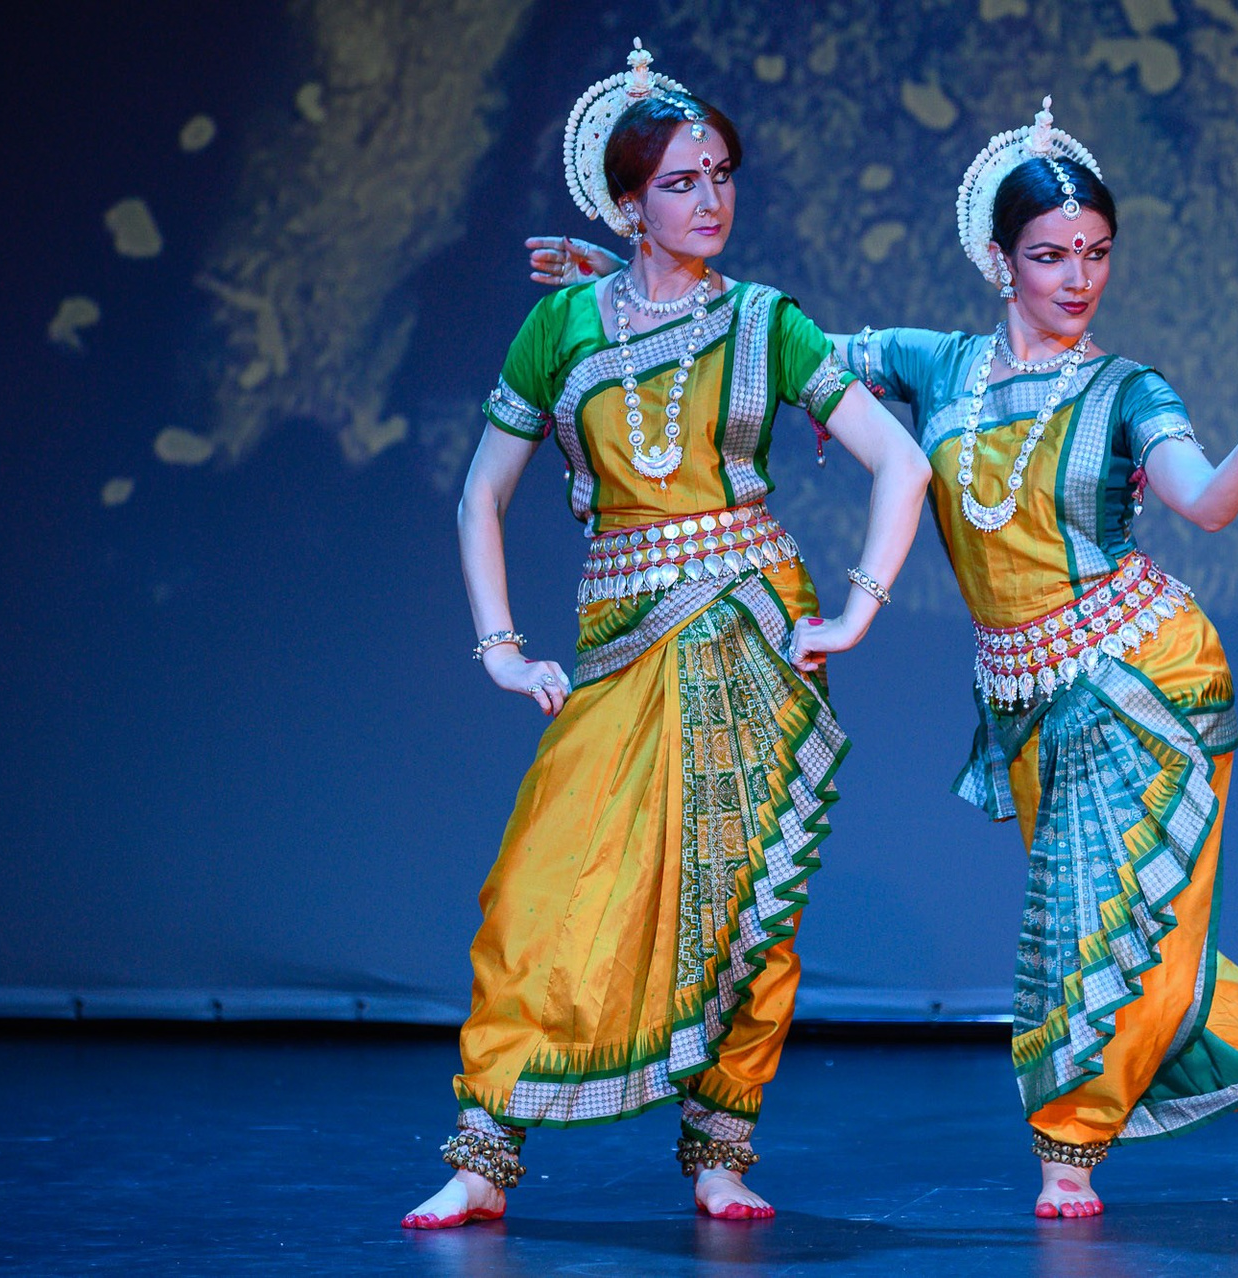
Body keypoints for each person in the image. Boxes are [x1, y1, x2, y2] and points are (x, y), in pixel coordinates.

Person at [529, 98, 1238, 1220]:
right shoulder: (936, 366)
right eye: (1051, 256)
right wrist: (631, 281)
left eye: (1096, 255)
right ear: (1000, 259)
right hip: (1027, 695)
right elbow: (772, 350)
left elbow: (1205, 502)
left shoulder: (1129, 392)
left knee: (1085, 934)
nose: (1078, 279)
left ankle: (1068, 1157)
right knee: (1127, 935)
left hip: (1142, 678)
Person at [403, 41, 929, 1230]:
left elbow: (901, 461)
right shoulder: (561, 327)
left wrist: (858, 606)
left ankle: (720, 1154)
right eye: (683, 182)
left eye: (723, 175)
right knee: (542, 892)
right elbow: (480, 494)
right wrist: (498, 645)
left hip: (752, 635)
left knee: (747, 911)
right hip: (619, 646)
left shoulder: (766, 321)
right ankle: (482, 1159)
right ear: (629, 201)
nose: (712, 200)